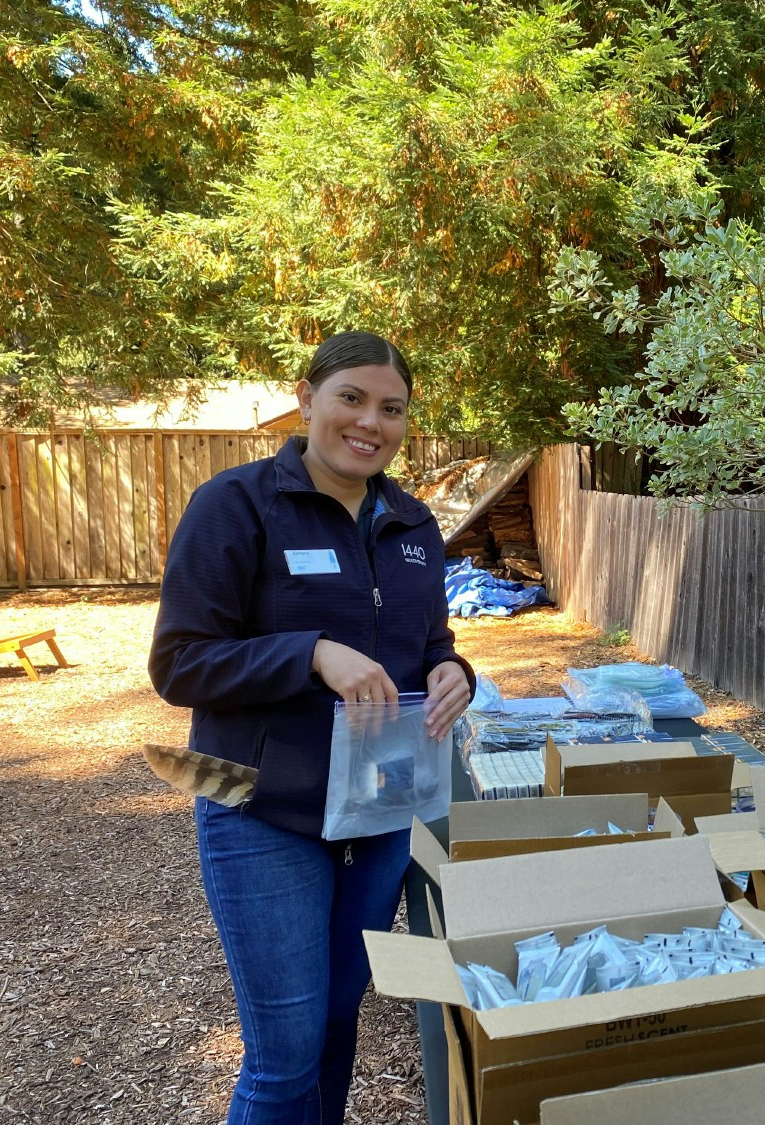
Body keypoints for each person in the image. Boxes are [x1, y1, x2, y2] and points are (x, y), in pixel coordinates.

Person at [149, 331, 474, 1123]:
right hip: (260, 805)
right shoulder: (236, 504)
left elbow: (432, 642)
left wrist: (452, 674)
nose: (371, 422)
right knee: (284, 1054)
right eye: (352, 398)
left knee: (336, 1021)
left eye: (391, 408)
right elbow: (179, 662)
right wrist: (311, 654)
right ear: (307, 397)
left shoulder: (413, 524)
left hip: (376, 807)